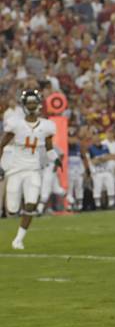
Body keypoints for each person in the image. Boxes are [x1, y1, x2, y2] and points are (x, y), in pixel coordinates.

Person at [0, 90, 62, 249]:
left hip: (33, 170)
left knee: (31, 204)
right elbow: (2, 145)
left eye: (34, 102)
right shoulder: (16, 123)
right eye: (29, 103)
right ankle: (16, 212)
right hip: (15, 169)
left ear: (39, 104)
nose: (32, 105)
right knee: (12, 211)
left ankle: (18, 239)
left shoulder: (47, 125)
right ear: (24, 105)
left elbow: (48, 148)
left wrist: (55, 159)